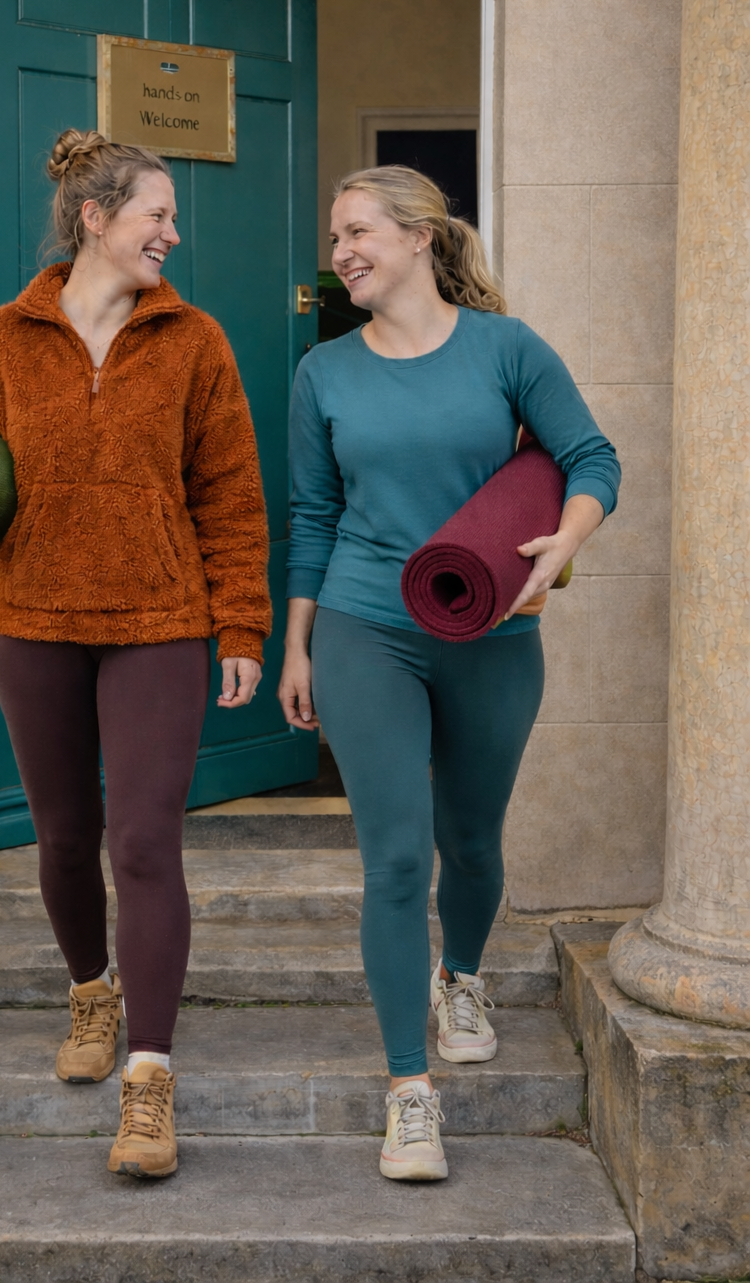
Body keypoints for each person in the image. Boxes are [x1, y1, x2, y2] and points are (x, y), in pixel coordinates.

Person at [0, 130, 270, 1179]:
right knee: (64, 837)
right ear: (95, 218)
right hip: (33, 619)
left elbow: (231, 497)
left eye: (172, 217)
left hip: (158, 622)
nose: (172, 233)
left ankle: (149, 1081)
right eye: (157, 213)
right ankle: (90, 993)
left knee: (144, 842)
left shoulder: (196, 342)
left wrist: (240, 625)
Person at [278, 165, 620, 1183]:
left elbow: (591, 458)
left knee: (470, 842)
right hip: (363, 625)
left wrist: (561, 546)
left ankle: (458, 977)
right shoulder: (322, 373)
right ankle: (407, 1094)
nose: (340, 253)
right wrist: (297, 643)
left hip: (492, 635)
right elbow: (311, 517)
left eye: (356, 232)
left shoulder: (506, 349)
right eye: (334, 238)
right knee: (394, 860)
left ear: (421, 236)